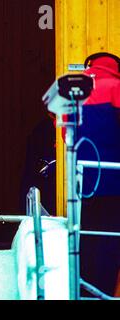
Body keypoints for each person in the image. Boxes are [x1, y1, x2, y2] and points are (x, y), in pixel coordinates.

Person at [78, 52, 120, 297]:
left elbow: (64, 134)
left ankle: (85, 292)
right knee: (111, 243)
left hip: (83, 183)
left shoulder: (73, 91)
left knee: (87, 242)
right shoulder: (116, 87)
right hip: (115, 183)